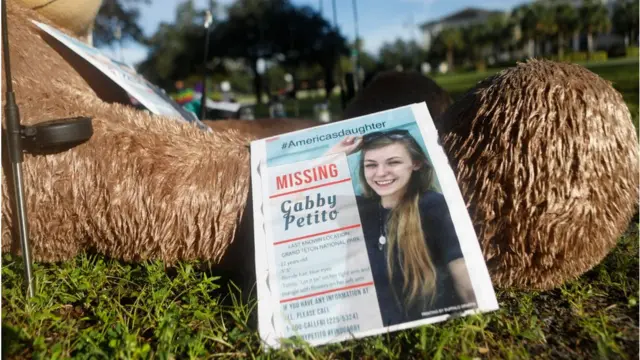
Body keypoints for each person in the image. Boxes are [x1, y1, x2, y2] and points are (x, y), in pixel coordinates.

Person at [325, 129, 477, 326]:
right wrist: (332, 155)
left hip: (429, 329)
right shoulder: (360, 210)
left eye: (393, 162)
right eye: (370, 165)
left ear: (416, 163)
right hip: (372, 333)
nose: (380, 173)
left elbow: (460, 269)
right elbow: (288, 201)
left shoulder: (432, 205)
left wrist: (476, 324)